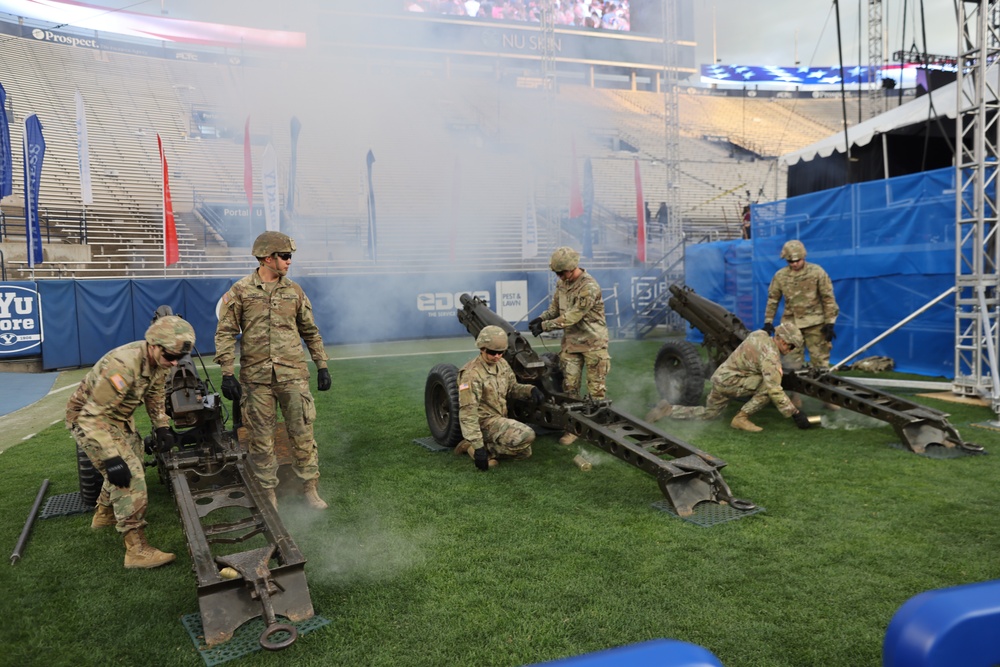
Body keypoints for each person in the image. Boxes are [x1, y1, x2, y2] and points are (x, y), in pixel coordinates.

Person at [215, 231, 332, 510]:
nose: (290, 262)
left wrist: (322, 365)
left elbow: (310, 332)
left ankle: (309, 488)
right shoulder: (241, 291)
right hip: (256, 380)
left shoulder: (294, 291)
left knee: (302, 433)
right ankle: (268, 493)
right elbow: (225, 333)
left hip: (292, 375)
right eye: (286, 256)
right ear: (268, 258)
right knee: (260, 439)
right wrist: (228, 373)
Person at [66, 315, 195, 569]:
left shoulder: (161, 362)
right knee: (130, 476)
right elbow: (91, 416)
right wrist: (111, 456)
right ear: (154, 344)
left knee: (126, 468)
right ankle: (136, 550)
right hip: (89, 421)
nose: (173, 363)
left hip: (118, 419)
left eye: (178, 359)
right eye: (170, 356)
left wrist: (161, 426)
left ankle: (104, 515)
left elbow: (156, 393)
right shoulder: (123, 366)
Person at [645, 323, 813, 433]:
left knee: (710, 414)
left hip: (720, 378)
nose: (791, 350)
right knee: (767, 387)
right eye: (791, 346)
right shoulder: (771, 357)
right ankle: (741, 418)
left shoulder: (759, 334)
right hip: (731, 383)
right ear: (783, 341)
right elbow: (775, 389)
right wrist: (795, 413)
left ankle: (668, 410)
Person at [529, 246, 610, 445]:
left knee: (596, 392)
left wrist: (545, 326)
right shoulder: (562, 284)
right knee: (569, 390)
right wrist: (540, 318)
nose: (559, 276)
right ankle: (573, 429)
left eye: (560, 272)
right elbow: (555, 309)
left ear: (571, 268)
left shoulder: (589, 287)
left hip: (593, 345)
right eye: (556, 273)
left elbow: (573, 316)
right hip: (571, 346)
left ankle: (597, 430)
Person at [454, 325, 544, 470]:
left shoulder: (502, 364)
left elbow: (512, 388)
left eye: (500, 352)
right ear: (482, 348)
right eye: (492, 352)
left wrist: (530, 390)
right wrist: (478, 448)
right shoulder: (471, 375)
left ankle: (482, 446)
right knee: (527, 435)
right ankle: (472, 446)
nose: (497, 356)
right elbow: (468, 413)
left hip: (499, 419)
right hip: (483, 422)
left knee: (524, 452)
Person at [763, 239, 839, 371]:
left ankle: (820, 389)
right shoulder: (780, 276)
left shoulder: (817, 272)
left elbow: (828, 298)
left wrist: (830, 322)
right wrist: (768, 321)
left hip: (815, 324)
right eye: (790, 261)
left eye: (798, 260)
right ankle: (791, 391)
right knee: (789, 364)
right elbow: (773, 299)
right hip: (790, 325)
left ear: (803, 257)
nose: (795, 264)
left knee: (820, 364)